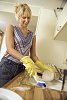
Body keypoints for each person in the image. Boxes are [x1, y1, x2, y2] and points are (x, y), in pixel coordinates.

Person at [0, 3, 53, 87]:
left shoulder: (32, 36)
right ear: (18, 17)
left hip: (21, 68)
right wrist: (25, 59)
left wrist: (43, 67)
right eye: (24, 17)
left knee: (13, 91)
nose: (26, 20)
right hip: (7, 65)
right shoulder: (11, 28)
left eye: (28, 17)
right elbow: (10, 49)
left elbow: (33, 56)